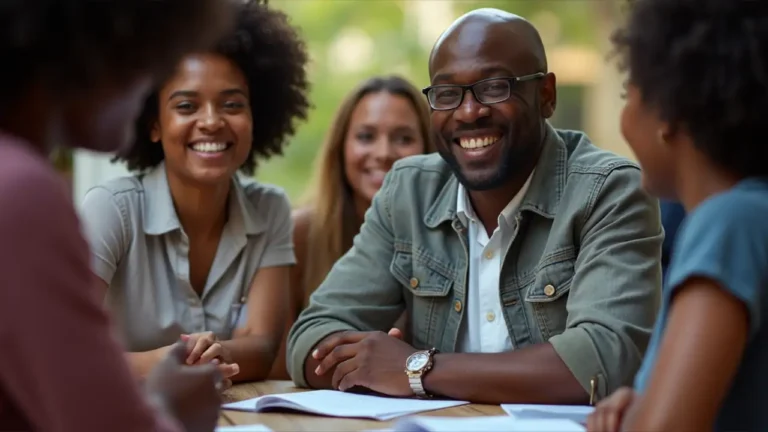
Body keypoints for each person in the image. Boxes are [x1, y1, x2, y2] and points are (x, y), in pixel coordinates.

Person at [287, 8, 662, 405]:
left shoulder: (609, 189)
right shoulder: (409, 191)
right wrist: (368, 364)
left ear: (546, 96)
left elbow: (603, 359)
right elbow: (311, 338)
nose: (469, 112)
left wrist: (417, 369)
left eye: (495, 87)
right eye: (447, 94)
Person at [0, 1, 235, 431]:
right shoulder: (22, 193)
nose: (149, 87)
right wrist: (170, 407)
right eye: (147, 61)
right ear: (94, 51)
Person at [79, 0, 310, 384]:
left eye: (232, 104)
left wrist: (213, 354)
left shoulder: (270, 207)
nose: (211, 121)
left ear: (257, 117)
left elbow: (262, 344)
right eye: (186, 105)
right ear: (153, 124)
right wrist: (173, 362)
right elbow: (66, 347)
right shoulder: (110, 209)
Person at [586, 0, 768, 430]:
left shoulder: (729, 224)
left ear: (666, 111)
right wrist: (646, 402)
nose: (624, 116)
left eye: (628, 93)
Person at [270, 75, 436, 379]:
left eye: (403, 138)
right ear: (340, 147)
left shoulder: (445, 240)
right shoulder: (298, 234)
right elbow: (278, 368)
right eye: (366, 136)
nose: (384, 152)